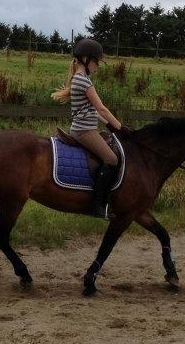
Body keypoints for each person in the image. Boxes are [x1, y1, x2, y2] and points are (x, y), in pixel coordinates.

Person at [52, 38, 128, 218]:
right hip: (83, 131)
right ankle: (97, 205)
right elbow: (101, 107)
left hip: (84, 127)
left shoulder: (79, 79)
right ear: (86, 59)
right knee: (111, 159)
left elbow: (93, 111)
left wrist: (110, 125)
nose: (98, 66)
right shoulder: (84, 81)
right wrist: (120, 127)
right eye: (96, 62)